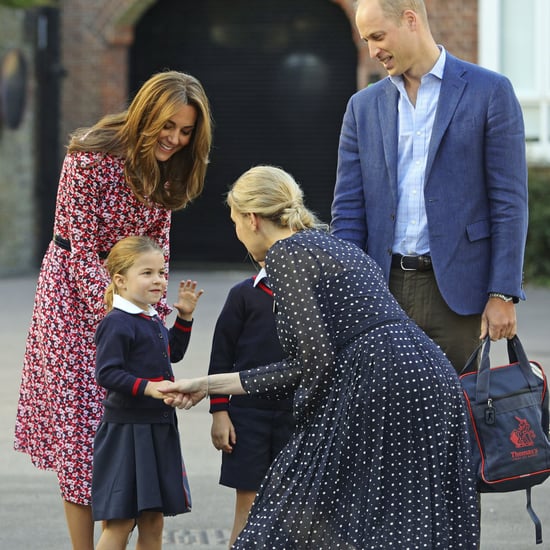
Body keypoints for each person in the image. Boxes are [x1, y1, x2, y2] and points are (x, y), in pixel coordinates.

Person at [159, 165, 480, 549]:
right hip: (430, 375)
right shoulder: (336, 245)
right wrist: (207, 385)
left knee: (289, 511)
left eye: (234, 222)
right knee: (405, 518)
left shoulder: (285, 255)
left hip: (379, 380)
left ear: (252, 219)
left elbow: (314, 362)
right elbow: (314, 360)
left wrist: (306, 426)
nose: (237, 233)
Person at [13, 70, 212, 550]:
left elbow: (157, 245)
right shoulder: (90, 155)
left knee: (125, 425)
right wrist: (119, 315)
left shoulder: (171, 165)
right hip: (73, 297)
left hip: (131, 295)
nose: (175, 139)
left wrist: (156, 313)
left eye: (186, 132)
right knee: (82, 436)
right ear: (145, 114)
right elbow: (81, 248)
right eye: (168, 126)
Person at [330, 0, 528, 373]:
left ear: (410, 20)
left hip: (458, 294)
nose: (372, 51)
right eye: (366, 40)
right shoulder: (362, 107)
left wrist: (503, 293)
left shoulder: (490, 92)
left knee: (457, 419)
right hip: (381, 290)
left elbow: (509, 202)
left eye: (377, 36)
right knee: (386, 419)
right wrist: (348, 292)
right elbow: (348, 211)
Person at [92, 236, 203, 550]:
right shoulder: (116, 322)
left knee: (153, 522)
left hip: (157, 429)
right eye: (147, 273)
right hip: (127, 432)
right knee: (120, 522)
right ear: (120, 280)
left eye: (162, 272)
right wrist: (149, 388)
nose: (158, 280)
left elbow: (173, 353)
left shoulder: (151, 317)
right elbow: (107, 373)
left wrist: (184, 318)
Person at [208, 261, 295, 547]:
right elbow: (221, 356)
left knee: (294, 508)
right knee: (248, 504)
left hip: (298, 417)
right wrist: (219, 412)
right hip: (247, 416)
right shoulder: (242, 295)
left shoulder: (313, 295)